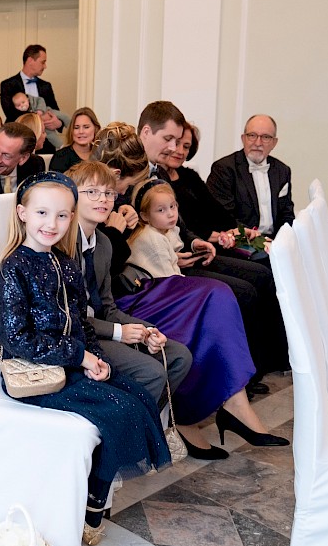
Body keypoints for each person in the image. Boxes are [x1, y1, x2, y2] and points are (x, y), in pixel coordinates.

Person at [0, 170, 170, 546]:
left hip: (71, 364)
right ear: (22, 213)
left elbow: (81, 322)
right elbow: (17, 339)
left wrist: (96, 356)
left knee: (136, 397)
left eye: (61, 215)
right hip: (39, 376)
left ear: (71, 218)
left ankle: (95, 493)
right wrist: (80, 357)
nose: (51, 224)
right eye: (41, 214)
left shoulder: (65, 263)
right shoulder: (11, 270)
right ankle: (91, 500)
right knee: (116, 411)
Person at [119, 178, 289, 454]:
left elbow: (178, 238)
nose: (105, 196)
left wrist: (193, 245)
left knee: (222, 295)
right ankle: (193, 413)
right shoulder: (124, 220)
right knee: (216, 296)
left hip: (158, 286)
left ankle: (234, 401)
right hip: (135, 297)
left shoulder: (142, 213)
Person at [136, 104, 288, 387]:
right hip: (172, 261)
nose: (177, 149)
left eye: (183, 145)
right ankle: (242, 373)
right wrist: (206, 239)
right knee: (246, 288)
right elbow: (169, 228)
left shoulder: (189, 177)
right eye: (171, 142)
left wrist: (223, 236)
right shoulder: (150, 178)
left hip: (196, 247)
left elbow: (207, 218)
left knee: (265, 271)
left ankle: (270, 359)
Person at [67, 161, 193, 411]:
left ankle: (146, 424)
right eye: (91, 192)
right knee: (152, 372)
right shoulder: (64, 245)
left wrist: (148, 330)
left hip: (99, 326)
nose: (102, 199)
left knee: (179, 357)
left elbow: (108, 307)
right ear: (71, 196)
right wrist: (119, 333)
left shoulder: (103, 243)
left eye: (108, 193)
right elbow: (71, 318)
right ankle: (131, 434)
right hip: (78, 337)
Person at [163, 123, 263, 253]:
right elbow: (183, 225)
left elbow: (215, 210)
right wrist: (220, 236)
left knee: (265, 257)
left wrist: (239, 230)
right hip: (189, 248)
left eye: (186, 146)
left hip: (212, 242)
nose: (180, 151)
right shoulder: (159, 181)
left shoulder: (189, 175)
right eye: (176, 144)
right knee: (259, 271)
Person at [207, 115, 294, 237]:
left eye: (266, 137)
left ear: (274, 143)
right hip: (239, 242)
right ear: (243, 138)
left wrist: (282, 242)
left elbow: (287, 215)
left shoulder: (282, 171)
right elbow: (223, 218)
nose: (258, 143)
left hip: (273, 243)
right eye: (252, 135)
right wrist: (256, 241)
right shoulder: (223, 169)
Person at [0, 45, 63, 135]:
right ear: (30, 61)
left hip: (46, 141)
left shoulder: (46, 86)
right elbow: (11, 114)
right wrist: (39, 119)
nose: (45, 66)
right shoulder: (7, 85)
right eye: (43, 62)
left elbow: (55, 111)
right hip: (18, 137)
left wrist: (58, 123)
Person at [50, 108, 101, 173]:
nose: (81, 131)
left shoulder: (102, 155)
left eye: (86, 127)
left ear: (95, 128)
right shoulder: (61, 157)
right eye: (76, 127)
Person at [13, 113, 49, 178]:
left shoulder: (38, 161)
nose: (45, 135)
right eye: (43, 132)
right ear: (35, 134)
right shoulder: (37, 163)